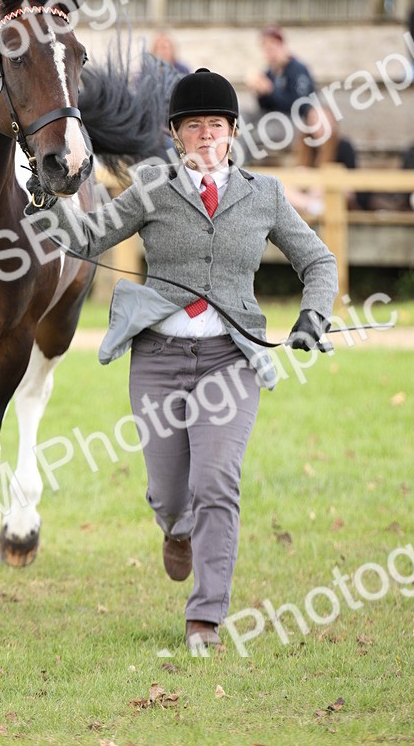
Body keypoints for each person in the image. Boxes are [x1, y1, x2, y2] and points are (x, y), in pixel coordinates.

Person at [26, 69, 338, 654]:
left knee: (216, 480)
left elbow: (318, 262)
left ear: (233, 132)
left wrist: (313, 315)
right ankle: (176, 530)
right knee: (171, 495)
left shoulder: (264, 195)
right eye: (193, 126)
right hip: (159, 360)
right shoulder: (152, 187)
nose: (205, 135)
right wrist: (47, 200)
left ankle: (206, 617)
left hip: (231, 361)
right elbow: (88, 238)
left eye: (215, 125)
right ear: (175, 135)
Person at [242, 27, 317, 162]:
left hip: (292, 121)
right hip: (272, 117)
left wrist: (271, 91)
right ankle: (238, 163)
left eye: (272, 46)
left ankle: (245, 165)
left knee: (259, 135)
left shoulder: (297, 69)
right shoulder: (270, 72)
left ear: (281, 45)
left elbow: (301, 106)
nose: (269, 51)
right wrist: (260, 92)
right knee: (241, 116)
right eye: (265, 47)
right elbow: (265, 106)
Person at [284, 105, 365, 217]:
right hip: (310, 196)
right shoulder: (306, 147)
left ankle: (313, 206)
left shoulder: (343, 146)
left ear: (332, 123)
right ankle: (312, 206)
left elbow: (350, 188)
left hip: (334, 194)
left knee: (319, 187)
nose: (318, 125)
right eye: (314, 120)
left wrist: (317, 182)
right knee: (283, 187)